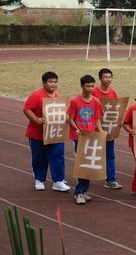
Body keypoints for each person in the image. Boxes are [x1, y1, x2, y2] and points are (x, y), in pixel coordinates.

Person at [23, 71, 70, 193]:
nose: (53, 84)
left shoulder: (58, 97)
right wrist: (36, 120)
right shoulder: (36, 95)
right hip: (38, 135)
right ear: (44, 83)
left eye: (55, 82)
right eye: (50, 82)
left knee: (58, 156)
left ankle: (58, 181)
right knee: (39, 157)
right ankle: (39, 179)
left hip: (56, 133)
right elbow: (27, 109)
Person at [67, 74, 104, 205]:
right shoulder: (75, 101)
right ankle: (78, 192)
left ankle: (84, 190)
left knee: (89, 164)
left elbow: (97, 118)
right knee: (81, 164)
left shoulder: (96, 101)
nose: (90, 88)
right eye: (88, 86)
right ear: (82, 86)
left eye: (92, 86)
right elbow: (70, 118)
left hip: (92, 137)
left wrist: (100, 131)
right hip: (80, 137)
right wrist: (76, 128)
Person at [92, 67, 122, 190]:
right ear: (100, 78)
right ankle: (86, 177)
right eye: (105, 77)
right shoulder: (93, 92)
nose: (108, 79)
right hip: (93, 128)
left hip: (108, 128)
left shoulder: (113, 92)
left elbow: (116, 109)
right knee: (92, 152)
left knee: (110, 154)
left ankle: (111, 179)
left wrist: (118, 121)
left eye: (110, 77)